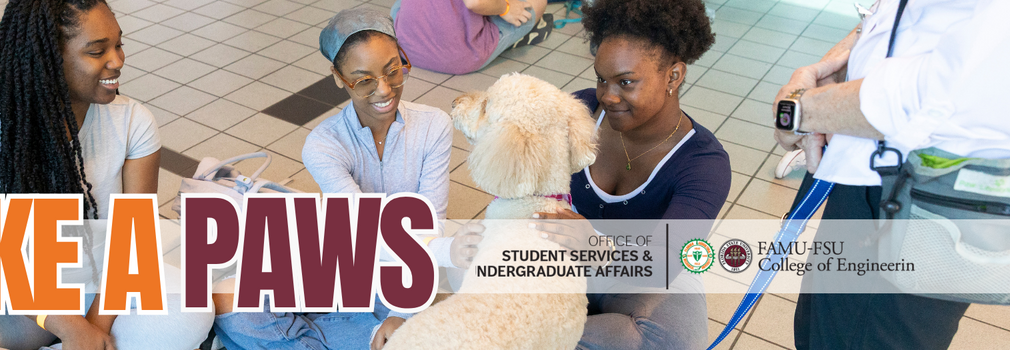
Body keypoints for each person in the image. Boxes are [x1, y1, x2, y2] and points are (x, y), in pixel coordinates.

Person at [0, 0, 213, 348]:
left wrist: (92, 327)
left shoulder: (134, 122)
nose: (117, 61)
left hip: (105, 294)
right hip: (19, 301)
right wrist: (69, 328)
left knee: (191, 310)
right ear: (48, 60)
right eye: (97, 51)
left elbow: (132, 243)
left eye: (119, 44)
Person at [456, 0, 728, 348]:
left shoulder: (703, 162)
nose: (609, 96)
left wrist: (597, 249)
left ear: (673, 75)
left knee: (665, 340)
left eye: (626, 82)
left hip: (645, 275)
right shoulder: (578, 110)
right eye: (602, 79)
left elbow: (666, 263)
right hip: (562, 255)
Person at [208, 9, 479, 350]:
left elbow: (431, 221)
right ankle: (356, 335)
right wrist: (442, 252)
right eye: (364, 80)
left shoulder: (434, 126)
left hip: (399, 278)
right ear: (338, 77)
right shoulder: (323, 144)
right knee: (226, 302)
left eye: (393, 70)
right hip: (339, 262)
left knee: (399, 328)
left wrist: (402, 312)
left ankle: (297, 339)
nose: (384, 90)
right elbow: (366, 230)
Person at [771, 0, 1010, 348]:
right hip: (869, 178)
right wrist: (842, 63)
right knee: (817, 335)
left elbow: (965, 84)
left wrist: (800, 110)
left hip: (912, 195)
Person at [389, 0, 550, 75]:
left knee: (399, 5)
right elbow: (475, 3)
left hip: (407, 46)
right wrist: (506, 8)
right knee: (537, 2)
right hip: (456, 55)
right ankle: (513, 36)